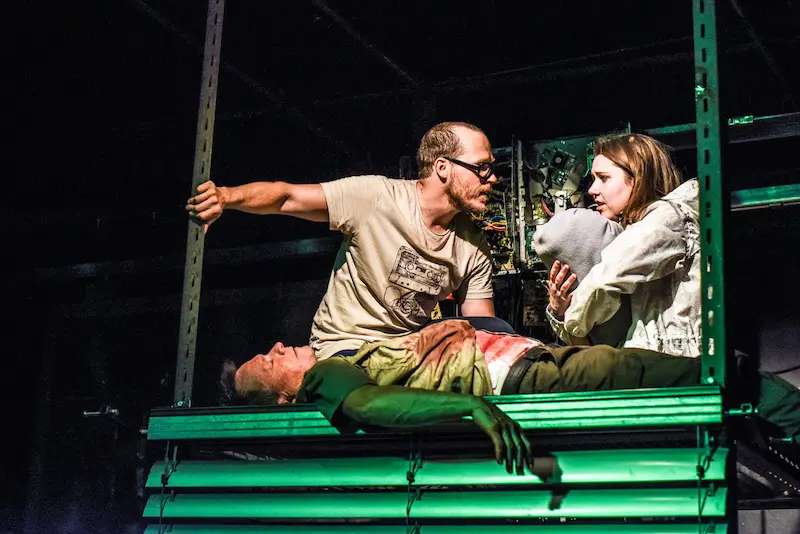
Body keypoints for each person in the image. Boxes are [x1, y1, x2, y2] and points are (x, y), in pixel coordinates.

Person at [220, 320, 800, 474]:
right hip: (520, 380)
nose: (278, 347)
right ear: (284, 402)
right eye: (269, 363)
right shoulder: (323, 379)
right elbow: (371, 407)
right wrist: (471, 406)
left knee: (700, 379)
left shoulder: (335, 365)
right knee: (709, 376)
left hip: (525, 367)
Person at [187, 121, 497, 359]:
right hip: (345, 350)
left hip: (404, 357)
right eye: (481, 167)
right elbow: (287, 196)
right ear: (443, 167)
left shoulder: (473, 246)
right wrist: (226, 197)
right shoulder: (377, 198)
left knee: (497, 335)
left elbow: (484, 331)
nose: (491, 178)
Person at [540, 133, 700, 357]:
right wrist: (560, 312)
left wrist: (570, 321)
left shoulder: (667, 220)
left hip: (675, 363)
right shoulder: (647, 224)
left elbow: (602, 282)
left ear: (638, 178)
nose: (592, 189)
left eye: (604, 178)